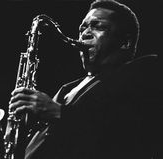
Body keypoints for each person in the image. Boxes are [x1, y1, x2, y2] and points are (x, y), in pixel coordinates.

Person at [9, 0, 163, 159]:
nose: (85, 33)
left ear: (126, 42)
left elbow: (130, 135)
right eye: (82, 27)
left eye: (98, 26)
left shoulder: (145, 71)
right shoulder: (67, 88)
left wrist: (59, 113)